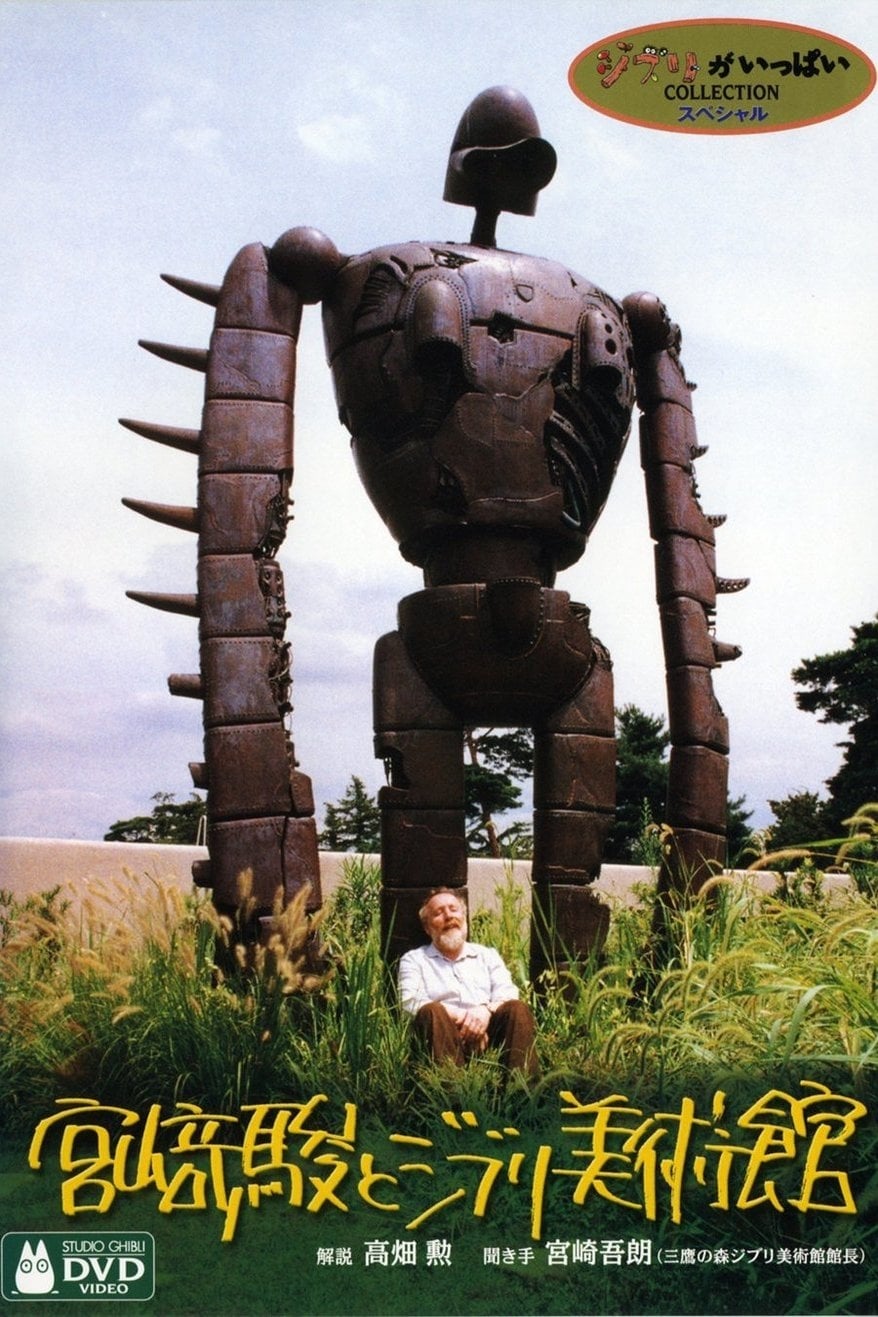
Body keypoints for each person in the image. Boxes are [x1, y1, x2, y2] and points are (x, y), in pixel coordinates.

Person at [397, 888, 539, 1077]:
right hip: (441, 1036)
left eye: (454, 909)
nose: (448, 916)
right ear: (427, 927)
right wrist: (465, 1018)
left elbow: (507, 992)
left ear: (464, 917)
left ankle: (523, 1095)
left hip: (489, 1035)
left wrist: (484, 1012)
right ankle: (451, 1100)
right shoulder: (414, 960)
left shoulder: (487, 955)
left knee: (517, 1008)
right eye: (438, 913)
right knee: (431, 1011)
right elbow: (409, 1002)